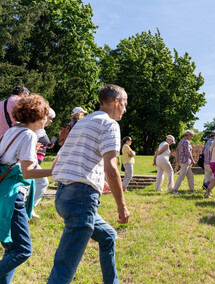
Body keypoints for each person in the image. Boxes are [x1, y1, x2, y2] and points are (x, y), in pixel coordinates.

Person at [47, 84, 130, 283]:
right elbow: (112, 168)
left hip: (63, 196)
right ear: (116, 101)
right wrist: (122, 207)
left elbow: (58, 160)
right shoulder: (110, 124)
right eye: (125, 104)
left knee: (108, 236)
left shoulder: (81, 123)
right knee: (64, 268)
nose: (125, 110)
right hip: (82, 199)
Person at [0, 94, 52, 283]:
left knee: (12, 250)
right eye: (46, 115)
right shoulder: (29, 135)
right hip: (13, 197)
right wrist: (53, 171)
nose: (47, 120)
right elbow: (28, 172)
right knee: (23, 250)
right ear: (37, 115)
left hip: (4, 194)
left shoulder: (13, 130)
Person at [32, 108, 56, 218]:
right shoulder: (35, 129)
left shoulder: (41, 130)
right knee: (43, 182)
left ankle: (28, 208)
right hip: (32, 161)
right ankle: (30, 208)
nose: (51, 121)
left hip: (36, 161)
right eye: (50, 118)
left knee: (33, 184)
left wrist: (48, 144)